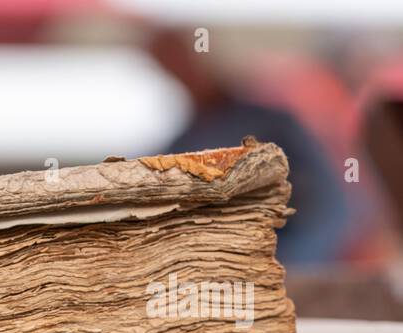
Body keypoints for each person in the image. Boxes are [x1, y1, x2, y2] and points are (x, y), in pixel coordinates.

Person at [148, 29, 351, 266]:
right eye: (169, 63)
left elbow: (332, 202)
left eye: (182, 57)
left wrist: (291, 260)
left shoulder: (274, 126)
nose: (181, 70)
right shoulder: (180, 146)